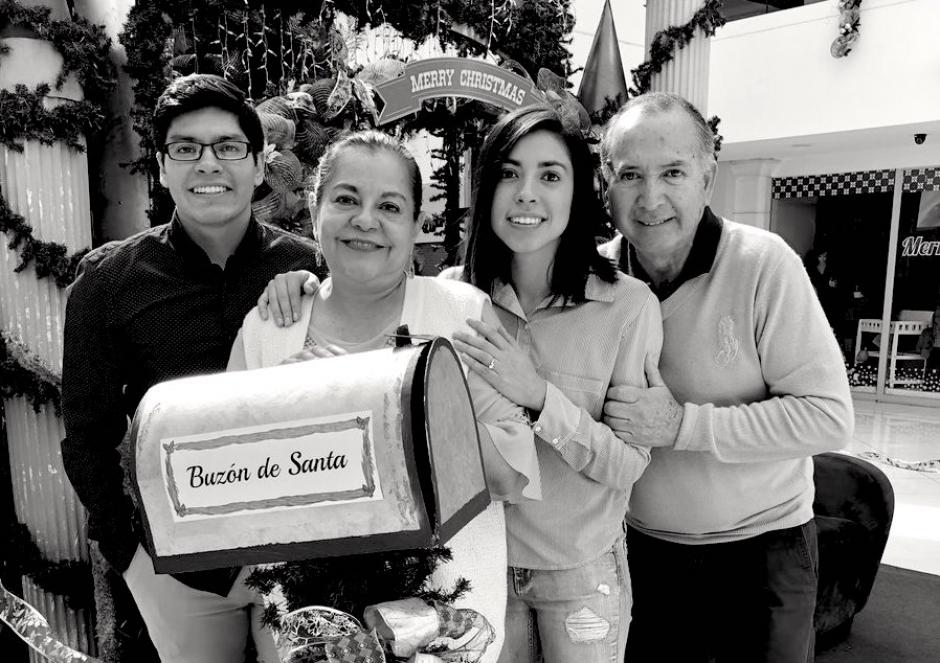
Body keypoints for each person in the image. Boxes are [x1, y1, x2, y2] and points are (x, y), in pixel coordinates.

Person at [258, 107, 662, 663]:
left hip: (575, 568)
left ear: (578, 193)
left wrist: (541, 398)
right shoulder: (457, 297)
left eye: (550, 175)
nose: (526, 194)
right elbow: (369, 289)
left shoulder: (626, 306)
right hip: (475, 569)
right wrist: (304, 280)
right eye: (508, 173)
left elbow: (628, 465)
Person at [229, 130, 542, 662]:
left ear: (417, 225)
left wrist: (386, 408)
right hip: (308, 633)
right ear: (313, 209)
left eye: (389, 206)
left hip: (439, 628)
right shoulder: (267, 329)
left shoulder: (458, 316)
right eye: (346, 199)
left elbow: (512, 473)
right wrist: (284, 411)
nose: (365, 219)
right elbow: (235, 492)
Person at [61, 74, 320, 663]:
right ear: (163, 166)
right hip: (177, 570)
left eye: (228, 148)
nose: (209, 164)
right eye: (186, 149)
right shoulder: (107, 284)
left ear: (258, 167)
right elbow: (88, 437)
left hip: (299, 556)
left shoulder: (309, 267)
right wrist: (130, 552)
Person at [597, 92, 854, 663]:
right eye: (630, 175)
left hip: (765, 555)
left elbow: (828, 417)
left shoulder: (764, 264)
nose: (650, 197)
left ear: (707, 178)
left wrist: (681, 425)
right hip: (640, 552)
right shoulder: (595, 281)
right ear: (606, 183)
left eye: (672, 172)